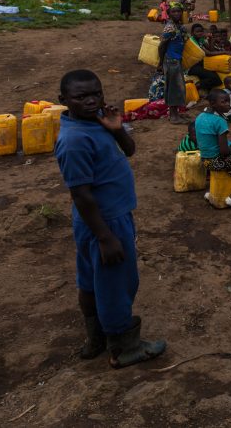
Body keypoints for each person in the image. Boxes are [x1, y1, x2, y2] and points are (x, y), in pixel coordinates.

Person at [54, 69, 166, 368]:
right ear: (63, 100)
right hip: (105, 221)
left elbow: (129, 150)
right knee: (117, 284)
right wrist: (105, 237)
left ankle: (96, 339)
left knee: (92, 281)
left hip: (99, 220)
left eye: (96, 94)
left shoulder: (97, 123)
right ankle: (124, 347)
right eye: (81, 97)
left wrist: (116, 128)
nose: (91, 101)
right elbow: (81, 194)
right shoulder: (75, 141)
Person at [158, 5, 190, 124]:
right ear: (169, 14)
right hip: (171, 60)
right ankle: (173, 116)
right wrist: (160, 63)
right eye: (174, 12)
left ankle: (176, 113)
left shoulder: (180, 27)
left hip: (177, 60)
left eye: (178, 11)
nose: (176, 13)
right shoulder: (169, 28)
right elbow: (162, 46)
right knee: (173, 88)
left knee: (178, 87)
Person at [187, 24, 229, 92]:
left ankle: (204, 88)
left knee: (216, 75)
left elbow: (210, 50)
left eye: (201, 31)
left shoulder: (201, 40)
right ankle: (196, 86)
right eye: (197, 31)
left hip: (200, 63)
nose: (200, 33)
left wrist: (211, 40)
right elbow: (208, 53)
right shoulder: (192, 41)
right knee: (216, 79)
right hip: (192, 66)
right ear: (192, 33)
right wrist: (225, 52)